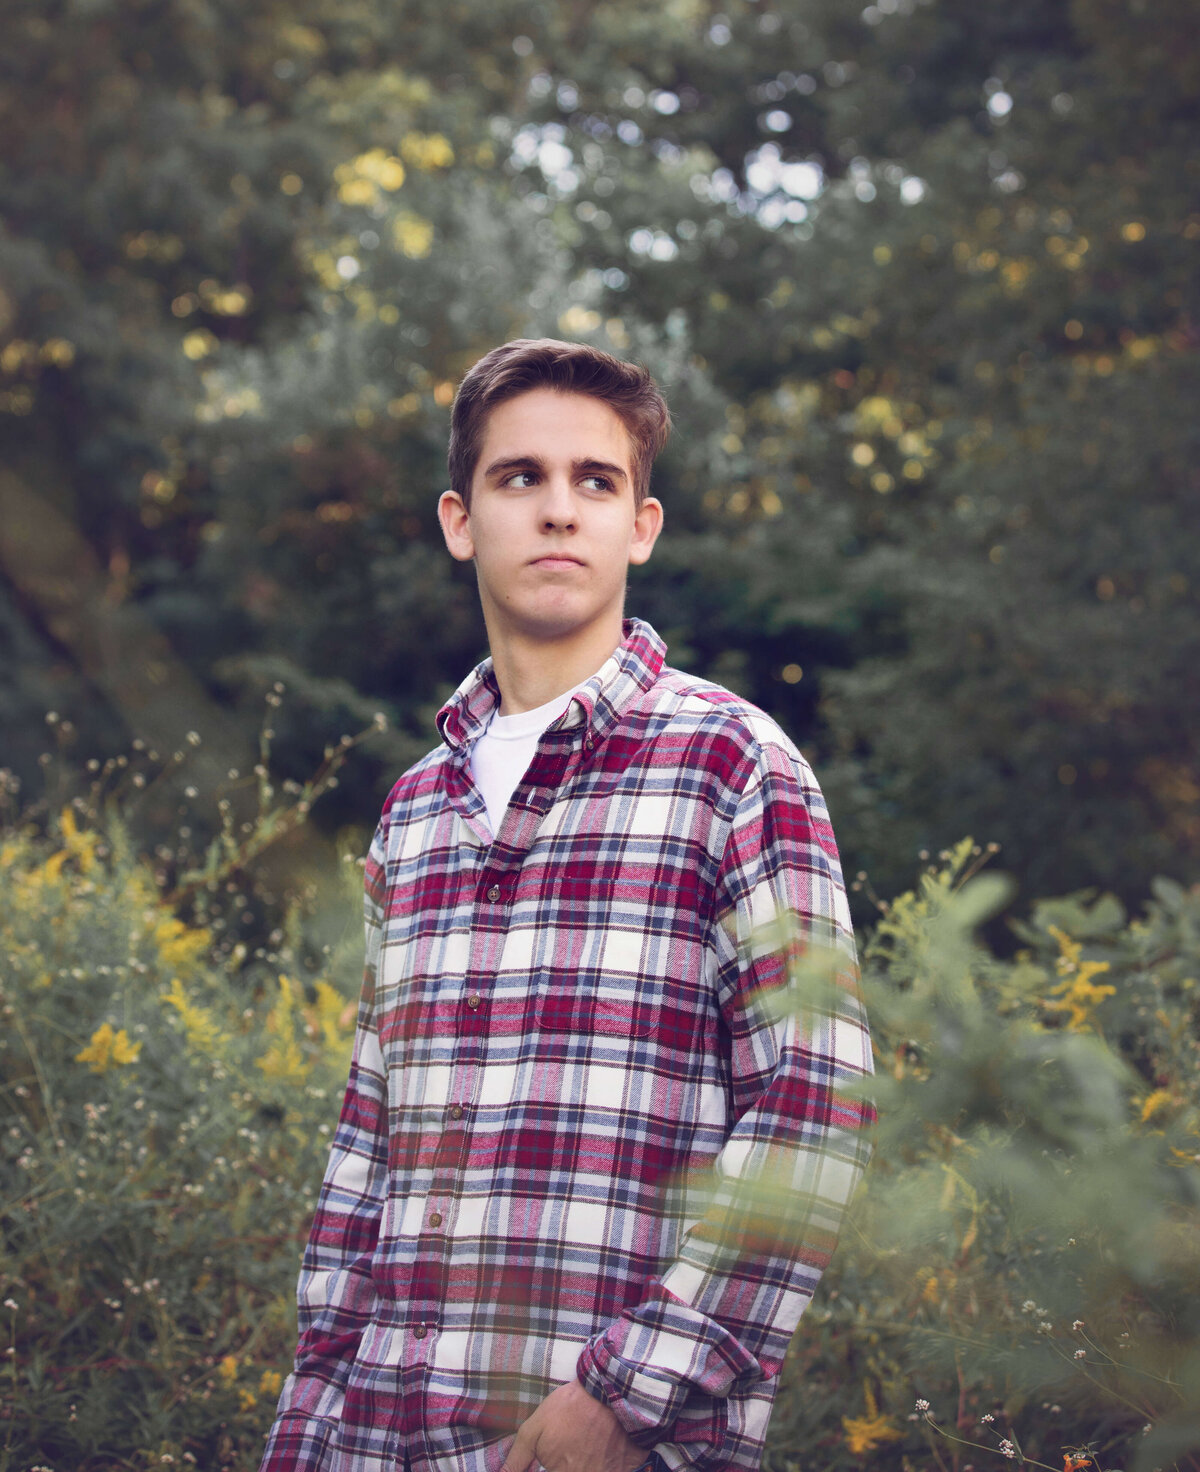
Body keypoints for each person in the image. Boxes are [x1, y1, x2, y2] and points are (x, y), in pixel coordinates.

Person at [260, 338, 874, 1472]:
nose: (558, 510)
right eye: (519, 477)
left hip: (606, 1441)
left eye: (596, 481)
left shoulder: (734, 763)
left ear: (640, 525)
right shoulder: (414, 813)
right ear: (461, 519)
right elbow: (367, 1146)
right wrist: (306, 1429)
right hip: (376, 1438)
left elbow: (815, 1104)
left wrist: (625, 1396)